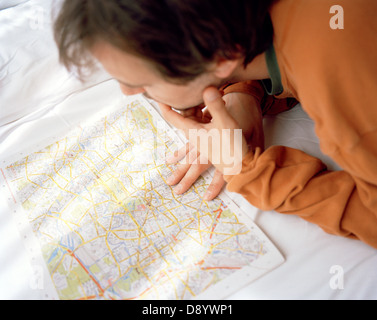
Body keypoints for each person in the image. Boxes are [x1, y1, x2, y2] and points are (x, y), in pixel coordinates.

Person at [53, 0, 377, 249]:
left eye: (143, 83)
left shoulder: (339, 67)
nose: (127, 92)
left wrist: (249, 172)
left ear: (222, 58)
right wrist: (246, 90)